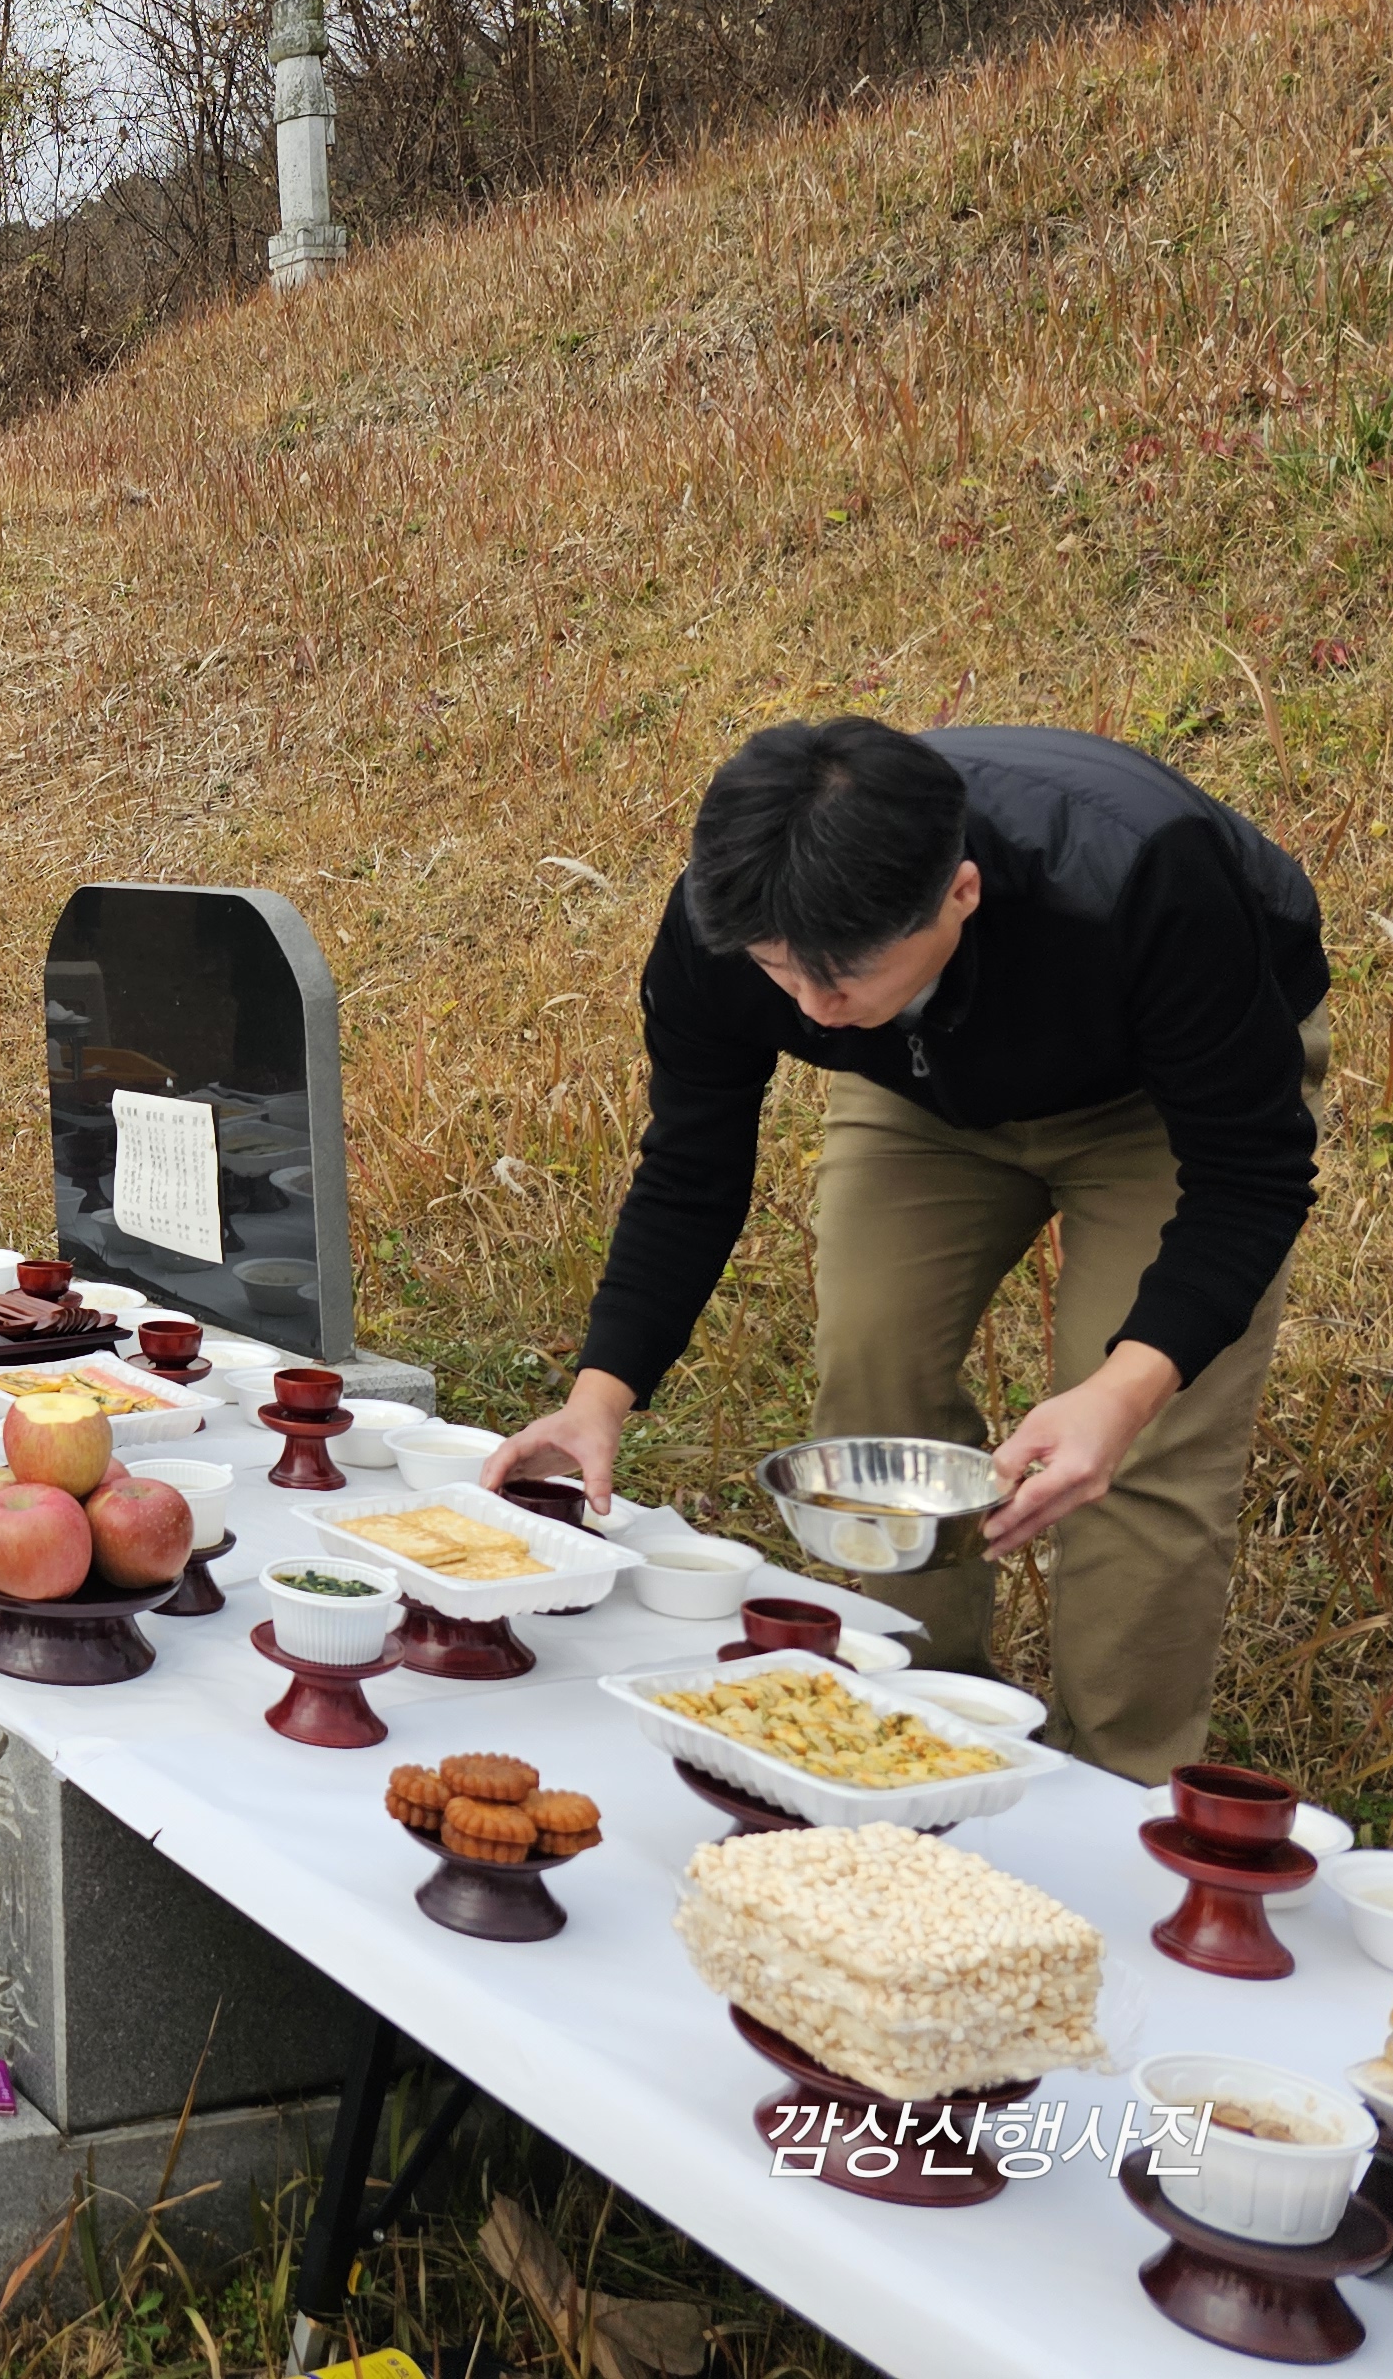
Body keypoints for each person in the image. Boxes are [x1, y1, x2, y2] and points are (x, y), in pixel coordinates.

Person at [487, 718, 1329, 1784]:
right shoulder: (734, 925)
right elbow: (692, 1165)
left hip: (1157, 1096)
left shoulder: (1140, 876)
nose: (810, 1008)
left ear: (960, 894)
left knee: (1136, 1451)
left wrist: (1119, 1395)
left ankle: (1120, 1788)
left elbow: (1249, 1179)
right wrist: (600, 1392)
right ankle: (917, 1727)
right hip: (919, 1088)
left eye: (841, 976)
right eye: (782, 973)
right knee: (871, 1384)